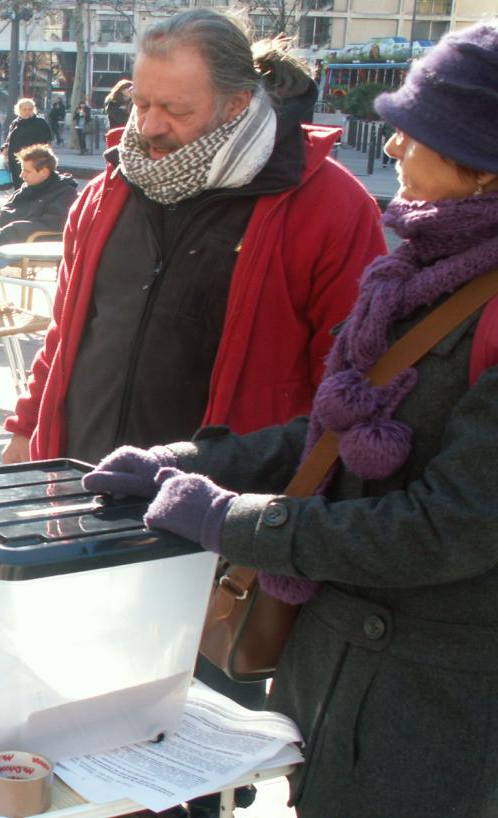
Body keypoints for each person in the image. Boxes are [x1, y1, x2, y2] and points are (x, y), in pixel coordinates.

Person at [84, 23, 498, 817]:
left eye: (420, 131)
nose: (398, 143)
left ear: (481, 168)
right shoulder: (422, 266)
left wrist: (231, 522)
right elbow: (327, 438)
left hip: (438, 709)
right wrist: (186, 462)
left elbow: (452, 528)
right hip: (341, 674)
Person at [1, 15, 387, 813]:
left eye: (173, 109)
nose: (148, 126)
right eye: (140, 102)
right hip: (82, 504)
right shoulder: (109, 186)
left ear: (238, 101)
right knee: (72, 732)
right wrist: (25, 426)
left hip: (210, 530)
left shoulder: (327, 205)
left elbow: (350, 385)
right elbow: (69, 330)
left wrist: (280, 517)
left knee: (184, 761)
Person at [0, 143, 77, 270]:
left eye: (27, 171)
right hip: (7, 237)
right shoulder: (25, 190)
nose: (21, 175)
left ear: (44, 171)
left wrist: (12, 229)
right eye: (22, 170)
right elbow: (1, 220)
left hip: (29, 243)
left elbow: (54, 224)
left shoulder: (65, 193)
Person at [2, 98, 53, 182]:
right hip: (15, 161)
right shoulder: (15, 123)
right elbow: (9, 140)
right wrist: (5, 148)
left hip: (31, 163)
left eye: (30, 109)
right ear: (19, 110)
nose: (27, 112)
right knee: (18, 186)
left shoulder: (40, 123)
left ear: (34, 110)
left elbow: (46, 144)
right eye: (24, 109)